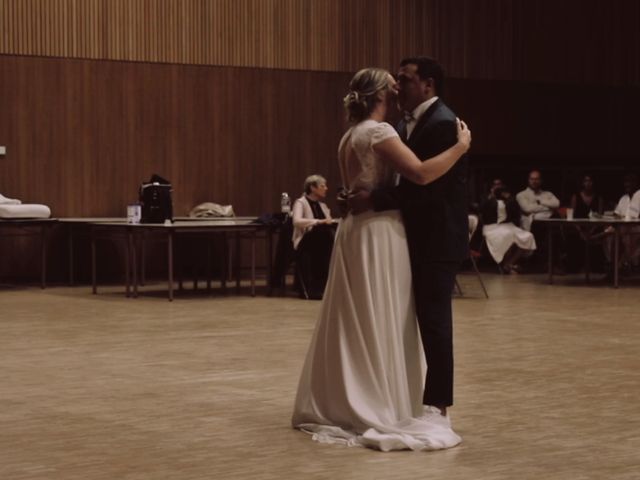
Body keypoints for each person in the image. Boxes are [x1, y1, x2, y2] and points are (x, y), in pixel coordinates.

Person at [292, 64, 471, 451]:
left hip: (362, 229)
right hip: (379, 231)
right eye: (393, 85)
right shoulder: (382, 130)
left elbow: (372, 185)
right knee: (380, 312)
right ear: (379, 96)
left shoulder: (352, 134)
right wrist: (460, 147)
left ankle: (358, 394)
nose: (398, 89)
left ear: (428, 83)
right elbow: (421, 176)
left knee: (359, 313)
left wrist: (365, 196)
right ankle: (380, 398)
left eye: (403, 80)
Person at [291, 175, 334, 299]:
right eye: (322, 186)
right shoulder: (300, 202)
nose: (326, 188)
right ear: (313, 188)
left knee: (327, 237)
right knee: (321, 234)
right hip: (305, 241)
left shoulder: (323, 205)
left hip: (320, 242)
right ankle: (315, 288)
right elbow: (297, 221)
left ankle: (324, 286)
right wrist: (318, 222)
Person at [481, 180, 536, 273]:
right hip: (492, 227)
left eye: (500, 185)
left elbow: (516, 212)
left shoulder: (508, 199)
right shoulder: (487, 199)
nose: (498, 187)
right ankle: (506, 265)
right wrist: (491, 197)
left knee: (527, 237)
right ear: (491, 187)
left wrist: (509, 198)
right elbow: (482, 210)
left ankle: (508, 263)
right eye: (496, 185)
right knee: (507, 235)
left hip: (507, 226)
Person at [603, 174, 640, 274]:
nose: (627, 184)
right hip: (621, 228)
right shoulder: (623, 198)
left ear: (636, 183)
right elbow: (616, 214)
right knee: (608, 234)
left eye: (629, 182)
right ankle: (612, 267)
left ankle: (629, 265)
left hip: (636, 229)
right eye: (625, 182)